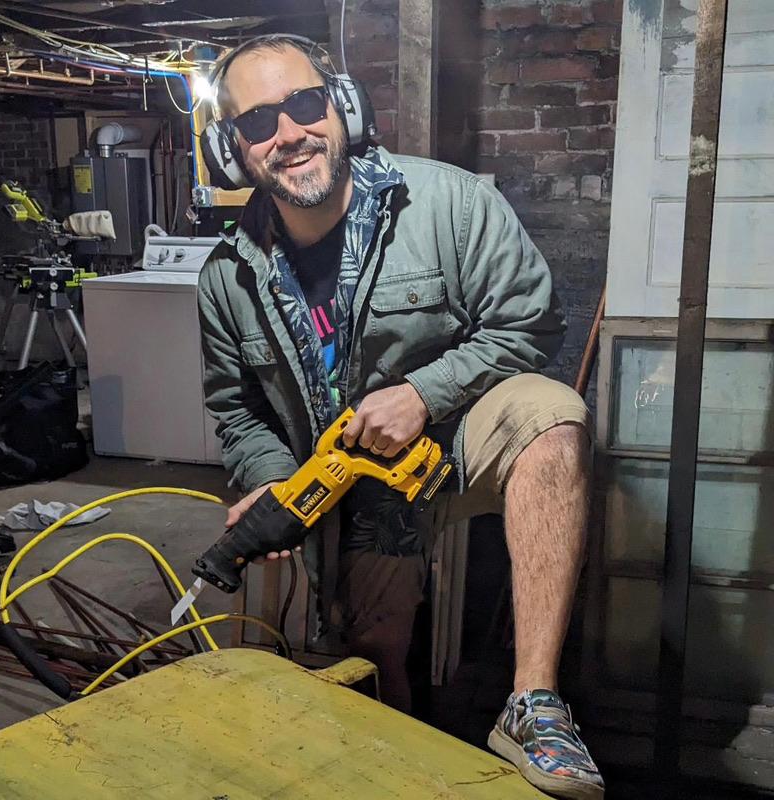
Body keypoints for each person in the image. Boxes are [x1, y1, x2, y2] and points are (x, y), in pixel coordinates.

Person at [197, 34, 604, 800]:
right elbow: (236, 409)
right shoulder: (226, 278)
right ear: (232, 149)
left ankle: (535, 705)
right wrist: (278, 485)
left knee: (553, 419)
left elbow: (530, 323)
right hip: (359, 483)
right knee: (374, 652)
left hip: (461, 434)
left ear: (342, 106)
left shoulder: (451, 203)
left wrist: (426, 393)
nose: (288, 135)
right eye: (257, 123)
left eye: (305, 105)